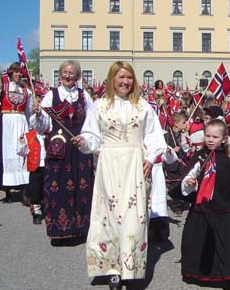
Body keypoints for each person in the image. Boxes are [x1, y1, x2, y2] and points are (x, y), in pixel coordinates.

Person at [73, 61, 168, 290]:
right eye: (121, 77)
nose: (125, 82)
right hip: (110, 164)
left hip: (135, 163)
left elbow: (154, 136)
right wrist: (84, 142)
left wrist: (150, 157)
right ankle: (112, 268)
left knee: (134, 218)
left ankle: (131, 267)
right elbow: (92, 134)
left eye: (129, 78)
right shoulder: (100, 105)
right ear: (112, 79)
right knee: (109, 215)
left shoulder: (143, 106)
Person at [176, 119, 230, 290]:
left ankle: (228, 277)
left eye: (215, 137)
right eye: (207, 135)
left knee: (225, 245)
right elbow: (188, 176)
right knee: (196, 241)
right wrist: (190, 182)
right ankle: (196, 273)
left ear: (223, 139)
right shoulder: (198, 156)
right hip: (202, 206)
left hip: (222, 207)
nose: (210, 139)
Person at [37, 60, 94, 244]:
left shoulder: (84, 95)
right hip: (58, 148)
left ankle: (82, 228)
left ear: (77, 76)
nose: (68, 76)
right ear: (60, 74)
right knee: (58, 185)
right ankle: (61, 230)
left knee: (82, 185)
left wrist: (85, 137)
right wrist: (37, 115)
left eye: (72, 73)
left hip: (79, 147)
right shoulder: (50, 95)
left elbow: (91, 121)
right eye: (65, 72)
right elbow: (44, 125)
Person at [0, 62, 32, 203]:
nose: (18, 74)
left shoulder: (26, 90)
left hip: (21, 121)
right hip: (7, 123)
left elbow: (29, 112)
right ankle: (7, 190)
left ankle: (24, 190)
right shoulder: (3, 87)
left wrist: (30, 126)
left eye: (20, 72)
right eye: (16, 72)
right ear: (10, 73)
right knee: (7, 153)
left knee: (22, 153)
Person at [16, 94, 46, 224]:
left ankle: (47, 208)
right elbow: (21, 152)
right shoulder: (29, 135)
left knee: (47, 188)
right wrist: (22, 144)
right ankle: (36, 211)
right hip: (35, 166)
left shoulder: (48, 134)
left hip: (48, 164)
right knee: (35, 190)